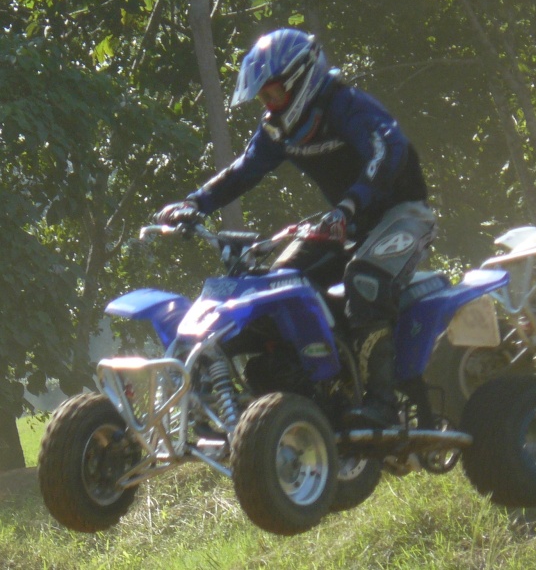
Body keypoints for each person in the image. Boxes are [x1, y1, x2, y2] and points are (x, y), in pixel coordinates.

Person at [156, 28, 437, 428]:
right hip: (348, 223)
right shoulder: (279, 128)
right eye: (263, 99)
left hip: (402, 212)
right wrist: (194, 203)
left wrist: (350, 205)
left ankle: (383, 406)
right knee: (278, 287)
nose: (268, 107)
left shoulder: (346, 105)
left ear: (301, 79)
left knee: (365, 280)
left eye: (272, 95)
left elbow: (389, 150)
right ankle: (319, 393)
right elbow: (243, 171)